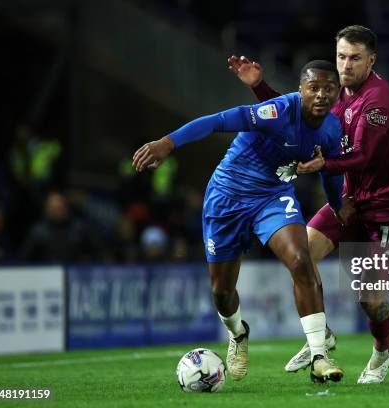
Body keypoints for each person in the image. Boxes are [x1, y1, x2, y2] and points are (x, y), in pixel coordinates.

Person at [227, 25, 389, 384]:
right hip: (348, 200)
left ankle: (383, 349)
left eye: (355, 58)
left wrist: (323, 165)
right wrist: (259, 87)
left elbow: (362, 156)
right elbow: (294, 114)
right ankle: (322, 336)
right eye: (341, 56)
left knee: (370, 298)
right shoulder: (333, 90)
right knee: (301, 257)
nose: (345, 65)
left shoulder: (378, 100)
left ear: (371, 60)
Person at [132, 60, 345, 383]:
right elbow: (219, 121)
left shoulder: (332, 129)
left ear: (337, 93)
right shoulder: (276, 112)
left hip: (272, 197)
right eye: (313, 87)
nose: (320, 95)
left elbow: (332, 173)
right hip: (227, 197)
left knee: (301, 260)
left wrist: (337, 208)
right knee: (221, 291)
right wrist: (168, 142)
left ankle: (319, 355)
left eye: (328, 89)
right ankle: (238, 333)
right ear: (300, 90)